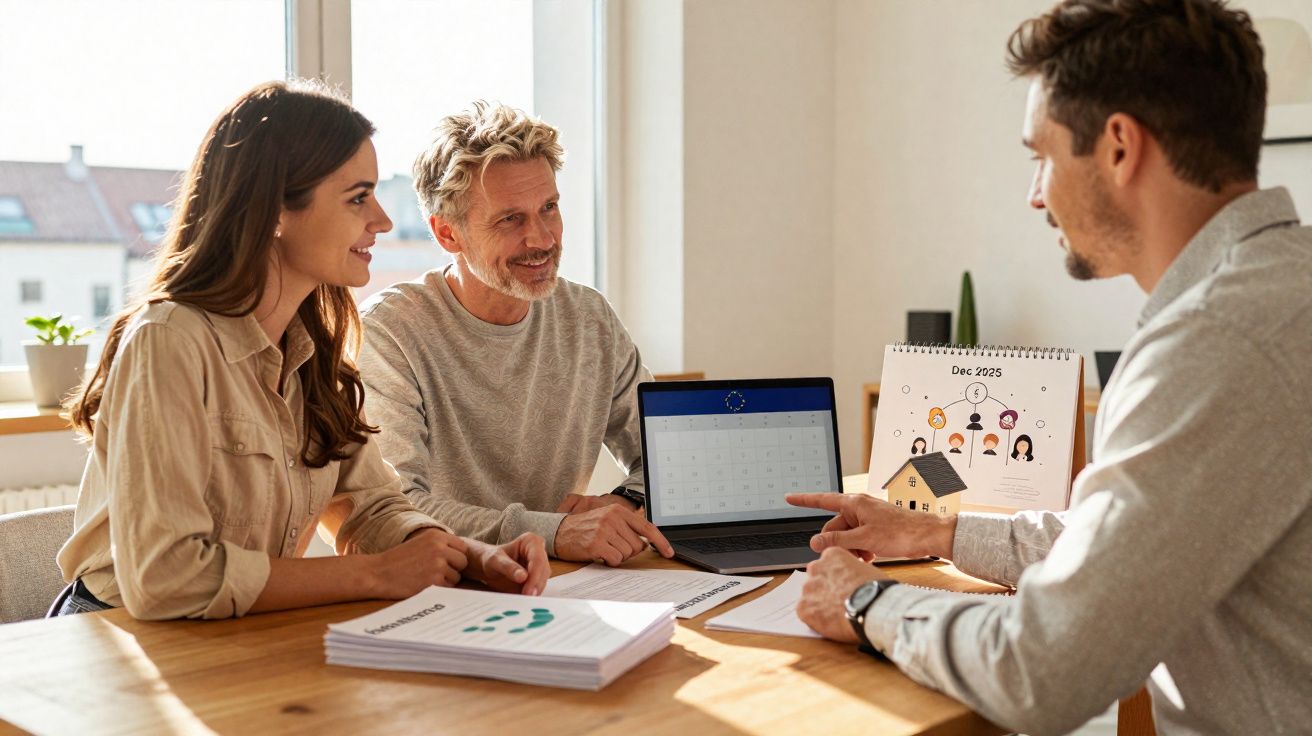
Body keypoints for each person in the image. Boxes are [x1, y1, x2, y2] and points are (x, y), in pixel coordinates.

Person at [788, 1, 1312, 733]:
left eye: (1043, 155)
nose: (1035, 193)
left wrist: (865, 600)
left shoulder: (1216, 341)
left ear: (1120, 146)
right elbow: (1131, 542)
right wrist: (937, 534)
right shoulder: (1285, 287)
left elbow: (1044, 670)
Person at [54, 81, 549, 620]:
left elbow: (371, 507)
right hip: (115, 640)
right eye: (358, 197)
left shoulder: (315, 347)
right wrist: (376, 575)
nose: (382, 220)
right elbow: (165, 577)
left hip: (234, 636)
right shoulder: (169, 340)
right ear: (274, 211)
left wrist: (471, 557)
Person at [357, 102, 674, 566]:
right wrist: (557, 530)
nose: (543, 239)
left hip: (567, 579)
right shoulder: (390, 333)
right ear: (448, 234)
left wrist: (625, 502)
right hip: (448, 583)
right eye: (510, 219)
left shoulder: (589, 318)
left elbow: (665, 456)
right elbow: (397, 510)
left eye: (549, 207)